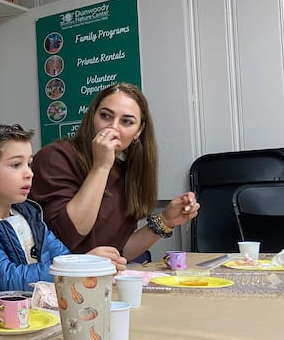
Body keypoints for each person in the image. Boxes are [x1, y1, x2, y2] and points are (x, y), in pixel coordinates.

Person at [28, 83, 200, 262]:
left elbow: (119, 251)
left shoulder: (127, 175)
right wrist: (101, 167)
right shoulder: (56, 156)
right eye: (105, 116)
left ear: (138, 131)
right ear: (92, 117)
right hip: (54, 283)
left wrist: (166, 221)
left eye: (127, 121)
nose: (113, 127)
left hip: (100, 282)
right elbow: (67, 236)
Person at [0, 123, 126, 292]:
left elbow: (62, 258)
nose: (29, 173)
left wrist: (90, 263)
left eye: (29, 164)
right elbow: (7, 279)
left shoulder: (29, 213)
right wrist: (79, 266)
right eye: (16, 165)